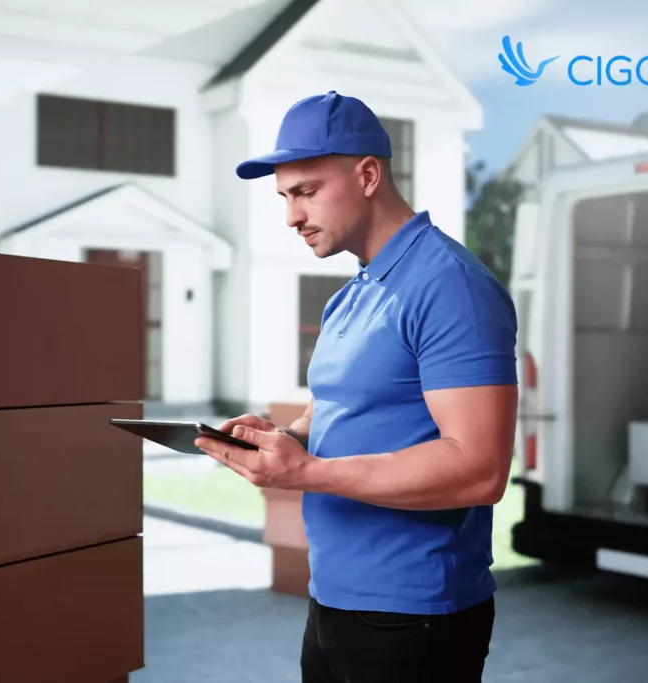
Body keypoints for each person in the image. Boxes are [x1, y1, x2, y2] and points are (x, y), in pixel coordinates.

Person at [194, 90, 519, 682]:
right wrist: (281, 437)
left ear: (368, 174)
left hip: (414, 616)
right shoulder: (353, 294)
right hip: (333, 601)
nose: (291, 215)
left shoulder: (451, 287)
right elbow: (340, 407)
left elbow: (480, 469)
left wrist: (306, 473)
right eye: (284, 197)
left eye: (307, 191)